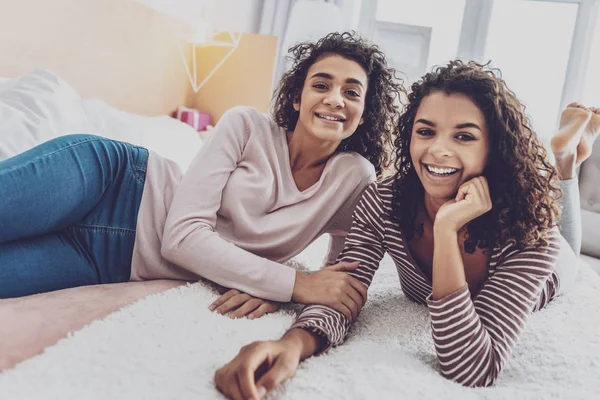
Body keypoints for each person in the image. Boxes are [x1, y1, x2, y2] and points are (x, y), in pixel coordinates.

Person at [214, 60, 599, 398]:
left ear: (494, 148)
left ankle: (565, 163)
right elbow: (344, 289)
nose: (437, 151)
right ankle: (565, 159)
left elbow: (472, 368)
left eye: (463, 136)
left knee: (569, 244)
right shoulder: (385, 201)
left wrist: (447, 231)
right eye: (426, 131)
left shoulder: (531, 237)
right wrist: (291, 345)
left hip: (554, 268)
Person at [0, 31, 403, 326]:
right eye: (321, 85)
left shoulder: (354, 178)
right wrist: (292, 284)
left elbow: (337, 282)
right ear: (297, 98)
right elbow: (181, 237)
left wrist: (291, 292)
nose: (335, 99)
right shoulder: (245, 125)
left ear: (364, 113)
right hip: (108, 183)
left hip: (109, 261)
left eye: (352, 93)